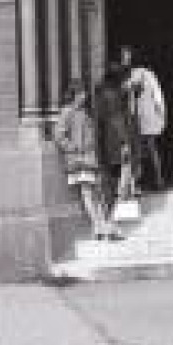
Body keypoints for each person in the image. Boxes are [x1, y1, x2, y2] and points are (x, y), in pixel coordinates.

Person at [55, 80, 121, 242]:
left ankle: (102, 226)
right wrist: (73, 147)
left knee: (96, 192)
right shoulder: (67, 112)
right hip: (78, 159)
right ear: (74, 95)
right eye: (81, 93)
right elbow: (59, 135)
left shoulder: (84, 112)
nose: (84, 96)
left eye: (84, 93)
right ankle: (98, 226)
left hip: (89, 157)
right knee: (87, 192)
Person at [118, 45, 167, 193]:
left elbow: (154, 93)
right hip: (139, 116)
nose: (125, 58)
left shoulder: (139, 73)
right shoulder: (138, 73)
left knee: (142, 150)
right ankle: (151, 182)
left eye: (127, 55)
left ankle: (152, 181)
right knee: (144, 150)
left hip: (142, 116)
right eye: (123, 55)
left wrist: (161, 112)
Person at [93, 60, 136, 221]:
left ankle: (108, 217)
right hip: (115, 141)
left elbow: (99, 119)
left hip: (104, 140)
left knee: (109, 179)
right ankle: (112, 217)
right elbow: (119, 120)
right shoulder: (115, 95)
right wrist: (126, 143)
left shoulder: (101, 92)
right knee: (118, 179)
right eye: (125, 79)